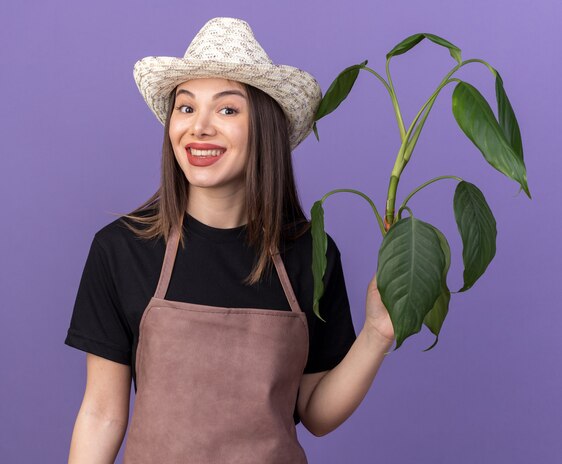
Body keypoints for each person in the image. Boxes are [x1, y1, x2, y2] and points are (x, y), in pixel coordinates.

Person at [64, 17, 395, 464]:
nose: (199, 127)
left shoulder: (310, 254)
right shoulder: (121, 250)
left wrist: (376, 333)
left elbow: (315, 412)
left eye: (227, 109)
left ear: (264, 128)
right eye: (185, 107)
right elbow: (102, 414)